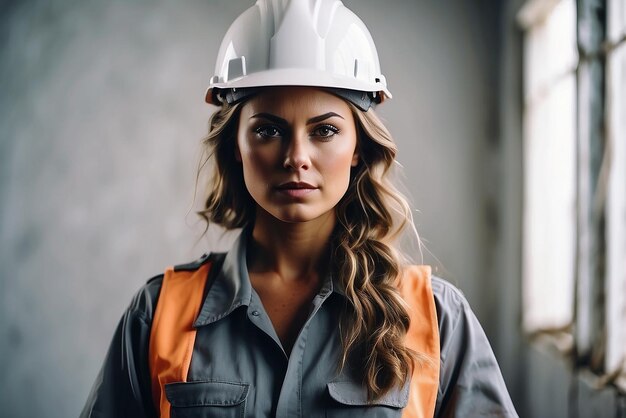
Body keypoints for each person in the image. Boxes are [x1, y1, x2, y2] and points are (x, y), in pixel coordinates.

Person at [81, 0, 518, 417]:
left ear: (357, 149)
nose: (296, 157)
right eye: (268, 129)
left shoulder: (437, 318)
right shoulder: (158, 313)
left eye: (324, 130)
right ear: (236, 145)